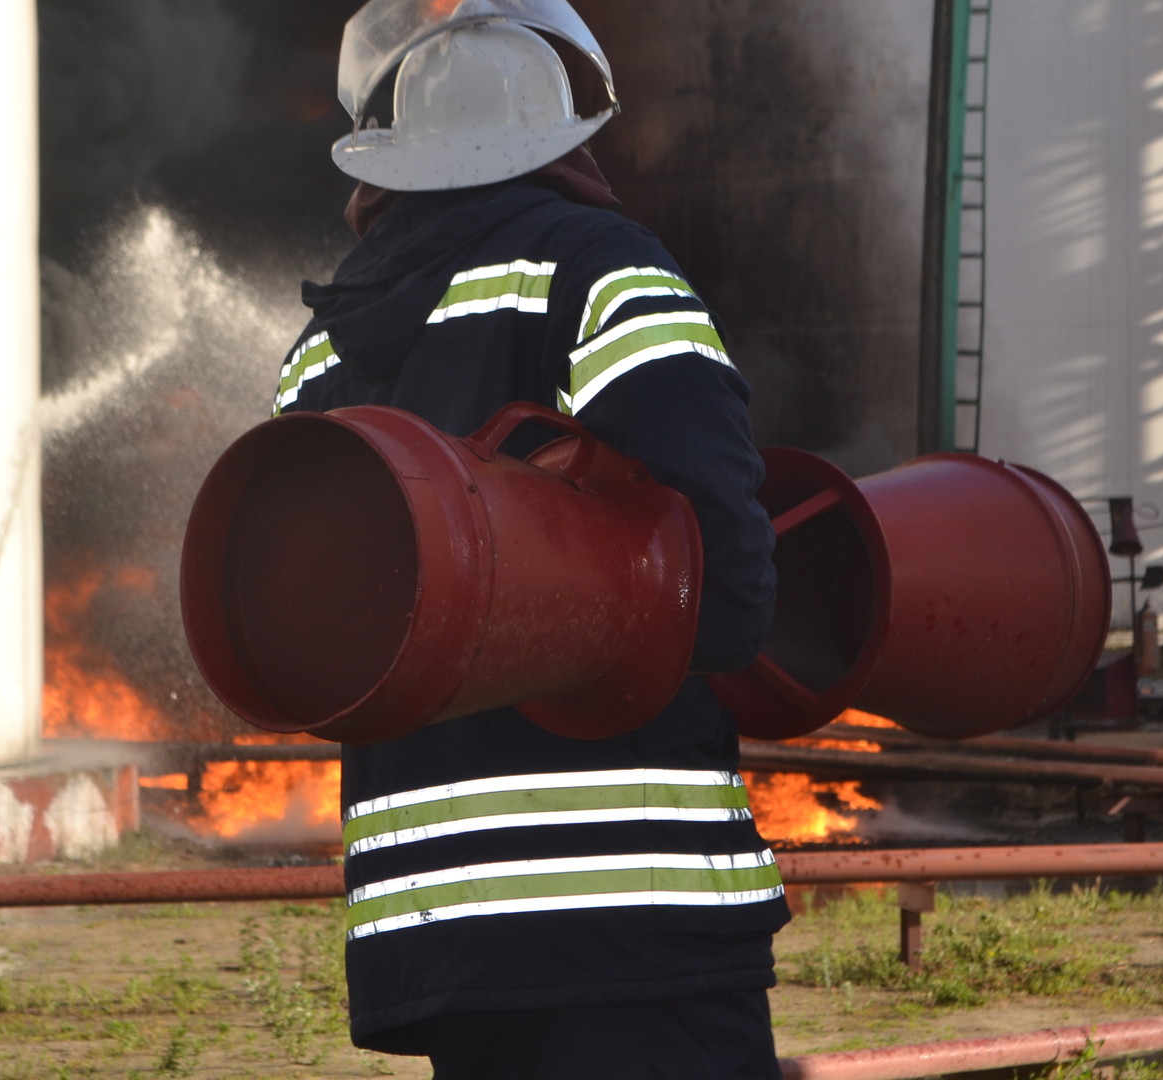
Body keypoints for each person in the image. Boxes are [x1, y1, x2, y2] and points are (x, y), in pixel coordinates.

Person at [274, 2, 787, 1076]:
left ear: (391, 147)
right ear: (561, 130)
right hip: (634, 909)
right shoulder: (604, 273)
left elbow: (320, 628)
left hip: (437, 929)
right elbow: (726, 587)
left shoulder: (321, 350)